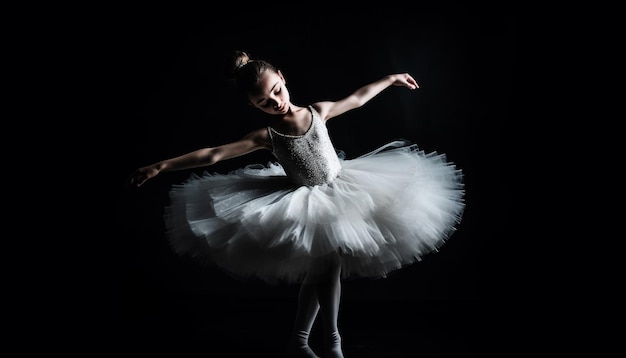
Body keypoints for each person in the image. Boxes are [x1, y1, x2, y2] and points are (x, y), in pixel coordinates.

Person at [128, 50, 465, 358]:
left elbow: (358, 99)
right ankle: (328, 341)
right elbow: (214, 154)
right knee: (326, 269)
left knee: (322, 271)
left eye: (276, 90)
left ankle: (302, 341)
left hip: (342, 190)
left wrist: (391, 79)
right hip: (306, 202)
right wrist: (161, 165)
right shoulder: (266, 136)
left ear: (283, 78)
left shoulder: (318, 111)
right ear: (253, 107)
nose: (275, 102)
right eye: (263, 102)